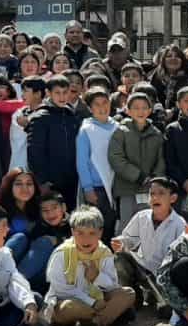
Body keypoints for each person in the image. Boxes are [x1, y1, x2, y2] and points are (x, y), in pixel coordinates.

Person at [43, 205, 135, 326]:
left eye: (92, 233)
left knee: (128, 293)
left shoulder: (104, 253)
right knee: (69, 307)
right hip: (70, 301)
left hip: (100, 299)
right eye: (80, 233)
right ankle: (113, 316)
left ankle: (93, 324)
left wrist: (97, 276)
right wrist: (92, 302)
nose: (86, 239)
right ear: (72, 232)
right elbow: (60, 289)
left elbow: (113, 285)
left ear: (100, 232)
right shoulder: (61, 253)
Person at [111, 176, 184, 316]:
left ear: (173, 198)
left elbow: (180, 259)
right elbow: (129, 240)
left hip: (163, 276)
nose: (155, 197)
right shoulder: (141, 216)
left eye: (161, 193)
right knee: (120, 257)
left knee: (166, 311)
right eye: (152, 193)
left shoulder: (179, 224)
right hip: (141, 268)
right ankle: (131, 295)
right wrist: (120, 242)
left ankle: (152, 295)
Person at [108, 91, 167, 228]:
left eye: (144, 107)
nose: (141, 111)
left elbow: (161, 159)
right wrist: (138, 176)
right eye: (136, 108)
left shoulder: (156, 134)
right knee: (127, 226)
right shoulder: (121, 131)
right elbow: (116, 157)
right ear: (128, 111)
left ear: (150, 110)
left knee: (148, 225)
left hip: (149, 189)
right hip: (126, 188)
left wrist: (155, 179)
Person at [0, 168, 56, 288]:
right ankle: (6, 287)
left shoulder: (40, 208)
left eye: (29, 184)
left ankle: (14, 288)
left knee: (46, 242)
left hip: (31, 269)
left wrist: (57, 239)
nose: (25, 188)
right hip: (2, 267)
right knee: (19, 238)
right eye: (18, 184)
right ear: (9, 186)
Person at [27, 75, 81, 210]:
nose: (62, 97)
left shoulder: (71, 115)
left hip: (71, 179)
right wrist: (42, 181)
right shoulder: (40, 117)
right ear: (48, 93)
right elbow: (34, 153)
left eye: (65, 92)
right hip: (50, 181)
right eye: (57, 93)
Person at [76, 88, 119, 241]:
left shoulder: (117, 126)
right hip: (97, 188)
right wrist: (88, 188)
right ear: (90, 108)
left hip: (115, 185)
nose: (102, 107)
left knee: (112, 225)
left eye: (105, 102)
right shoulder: (86, 129)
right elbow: (82, 161)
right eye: (97, 104)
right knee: (97, 227)